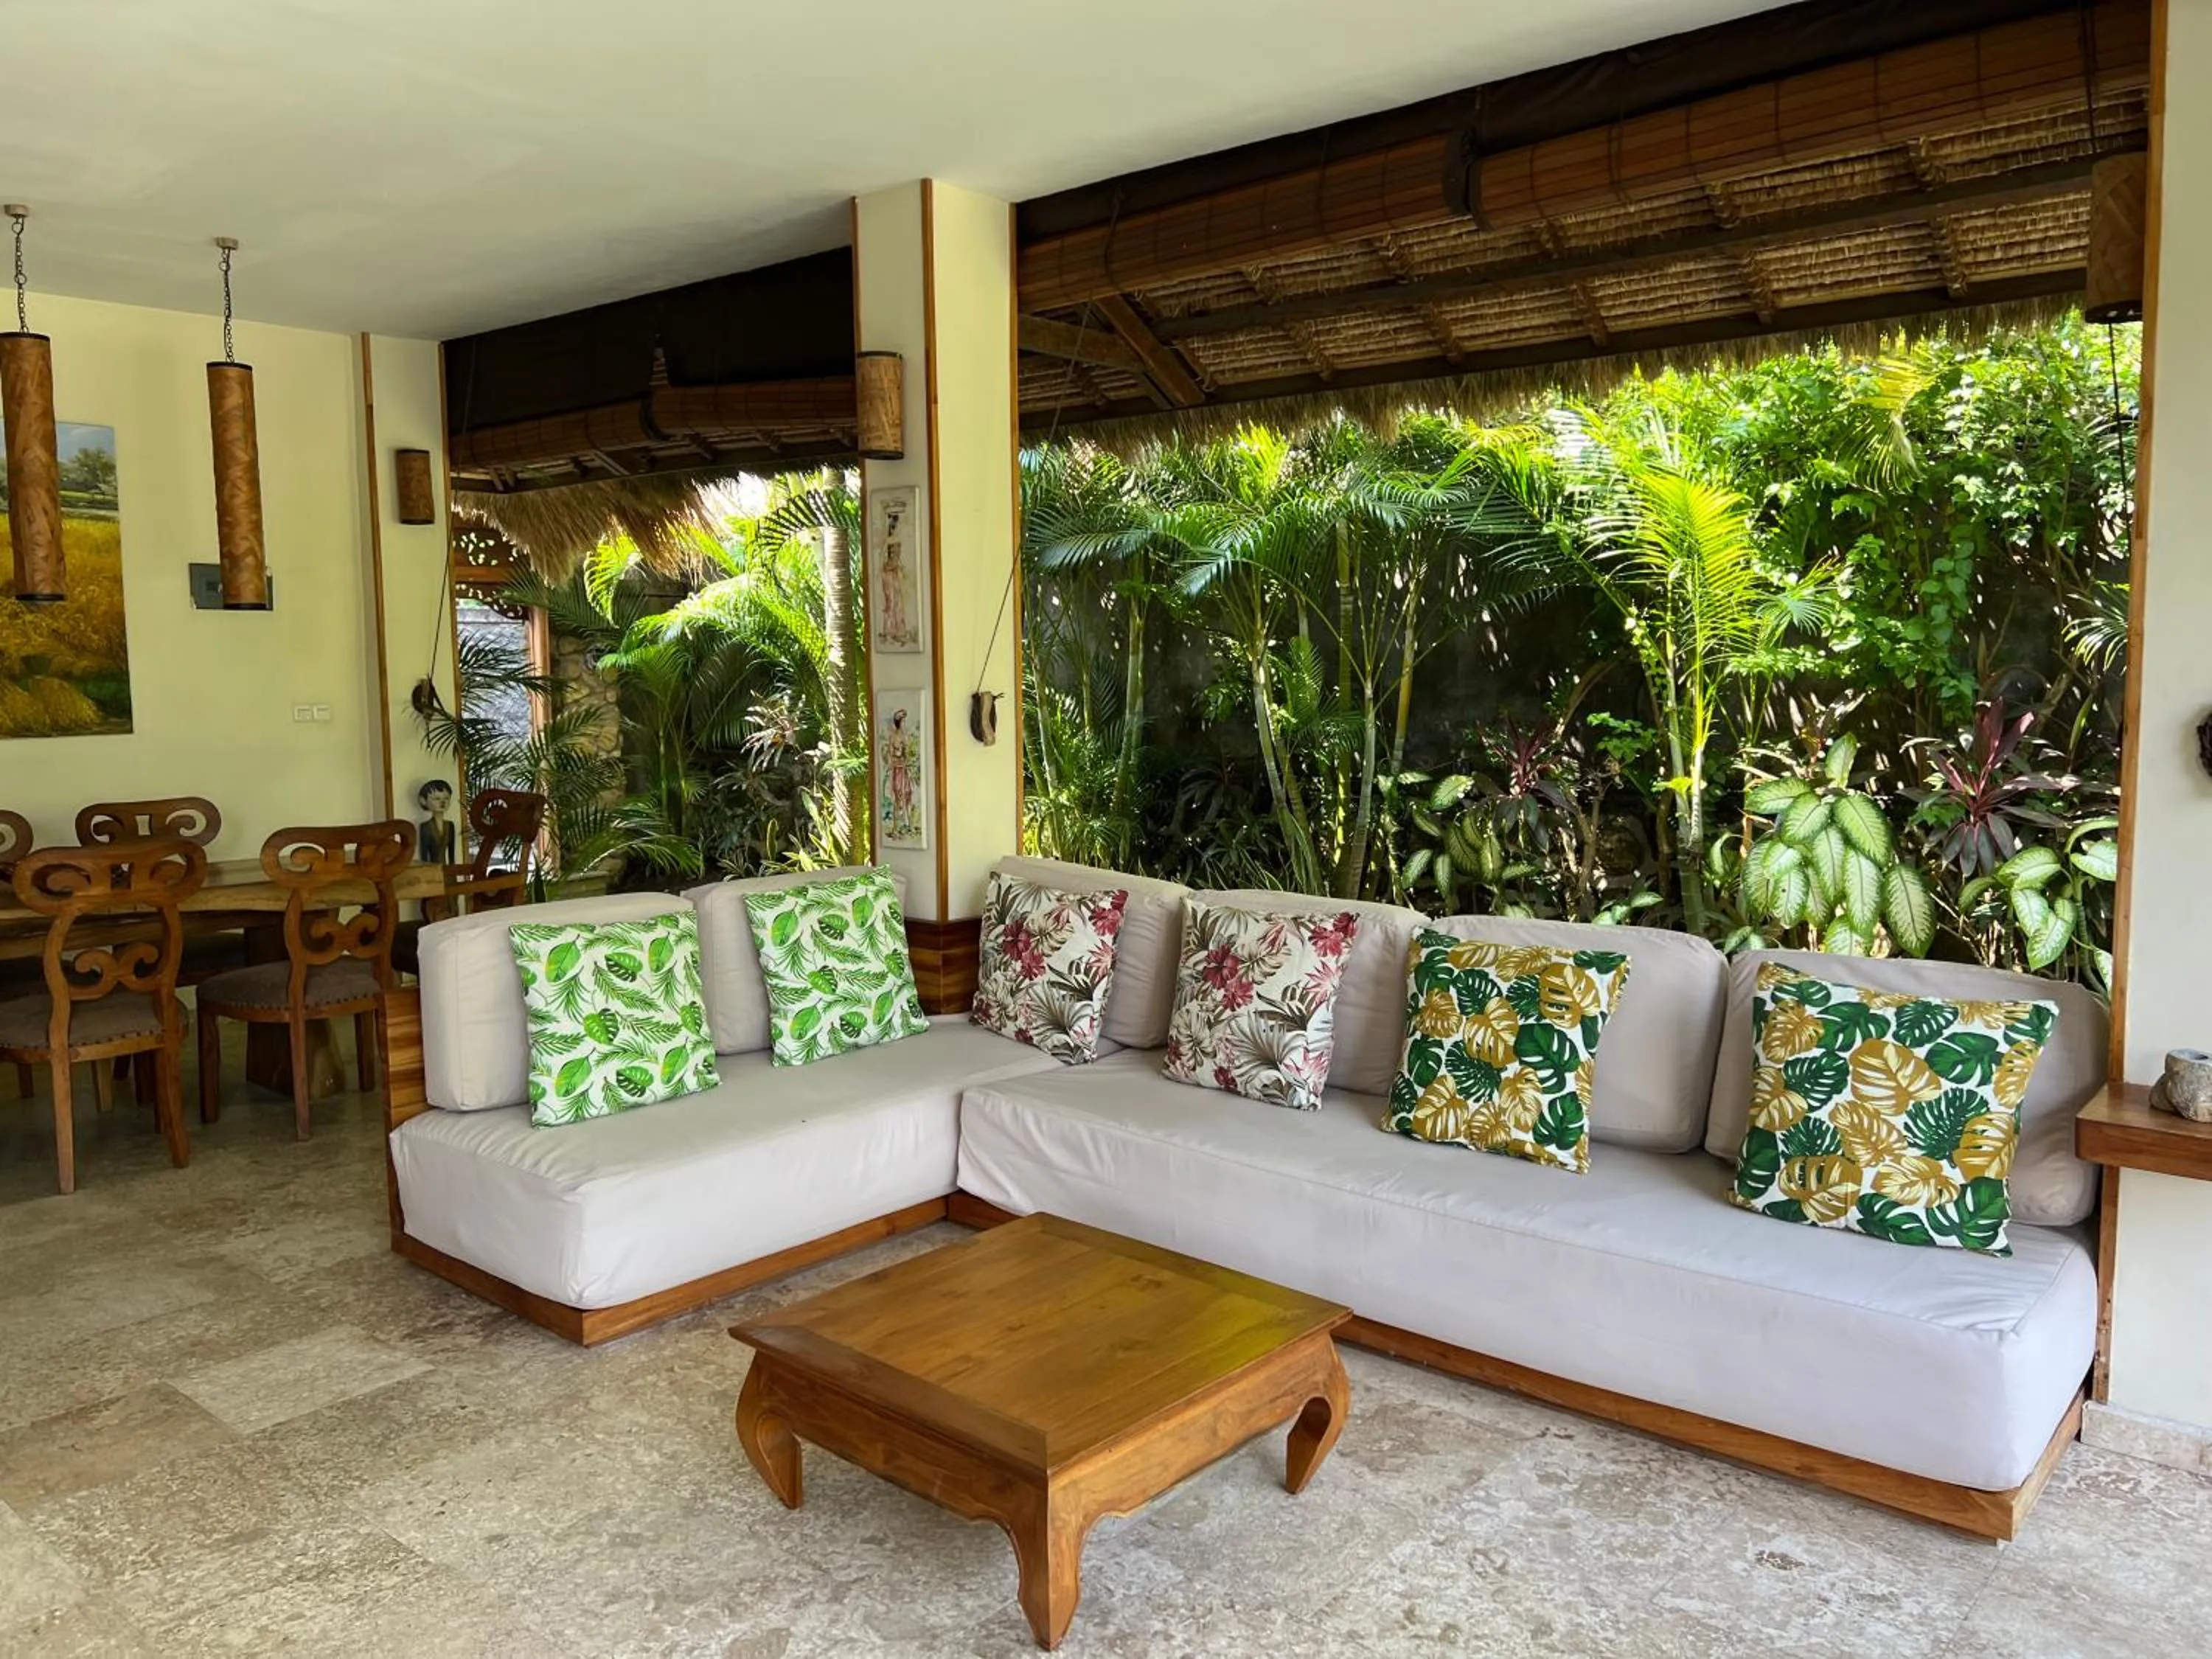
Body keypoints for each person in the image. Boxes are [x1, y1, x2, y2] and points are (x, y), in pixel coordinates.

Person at [417, 779, 456, 866]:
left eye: (446, 798)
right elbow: (424, 856)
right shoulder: (425, 827)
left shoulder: (450, 825)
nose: (442, 802)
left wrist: (453, 870)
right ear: (423, 801)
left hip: (448, 871)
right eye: (436, 799)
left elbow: (452, 854)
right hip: (432, 871)